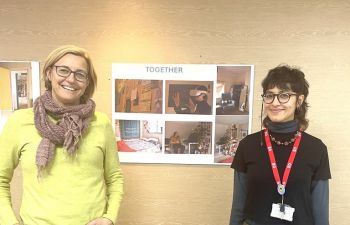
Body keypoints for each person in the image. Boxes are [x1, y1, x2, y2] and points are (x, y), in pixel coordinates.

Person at [0, 45, 124, 225]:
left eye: (80, 74)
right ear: (49, 73)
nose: (71, 79)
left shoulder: (101, 123)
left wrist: (109, 218)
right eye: (63, 70)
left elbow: (115, 178)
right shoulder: (20, 121)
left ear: (87, 82)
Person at [229, 65, 331, 225]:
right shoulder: (247, 145)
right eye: (269, 95)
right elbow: (238, 206)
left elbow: (320, 211)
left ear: (299, 100)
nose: (275, 102)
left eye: (284, 95)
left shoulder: (316, 149)